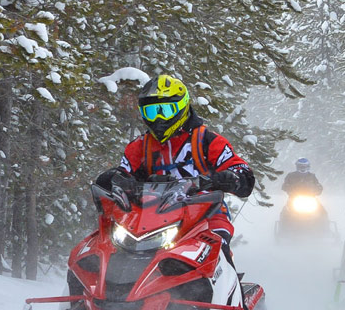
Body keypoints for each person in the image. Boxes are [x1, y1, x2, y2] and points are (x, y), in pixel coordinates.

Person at [96, 74, 255, 246]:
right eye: (151, 112)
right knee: (105, 247)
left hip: (204, 217)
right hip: (149, 221)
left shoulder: (207, 141)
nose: (158, 119)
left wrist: (231, 178)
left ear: (182, 107)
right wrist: (112, 179)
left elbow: (242, 172)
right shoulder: (140, 147)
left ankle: (226, 271)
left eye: (165, 111)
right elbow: (123, 173)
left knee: (216, 244)